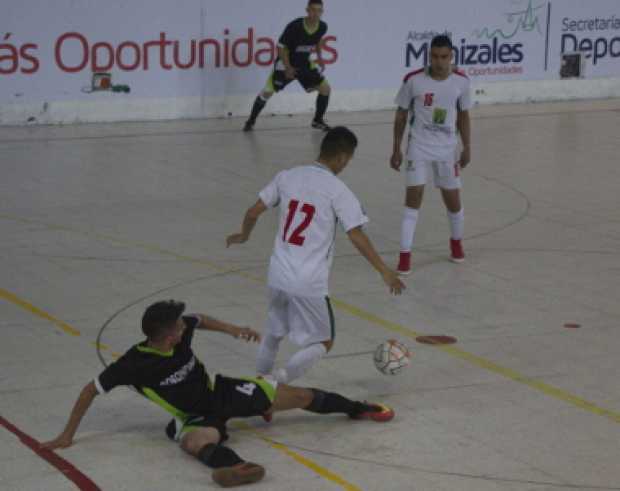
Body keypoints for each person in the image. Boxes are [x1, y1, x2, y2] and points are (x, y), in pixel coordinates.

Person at [42, 300, 395, 488]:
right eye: (180, 326)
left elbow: (200, 318)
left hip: (221, 391)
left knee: (299, 397)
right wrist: (67, 435)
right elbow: (90, 390)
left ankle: (357, 409)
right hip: (193, 417)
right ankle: (234, 468)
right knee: (193, 443)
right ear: (168, 338)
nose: (185, 326)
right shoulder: (132, 365)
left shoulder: (181, 330)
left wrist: (235, 329)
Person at [227, 126, 405, 386]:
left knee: (274, 333)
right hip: (308, 280)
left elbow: (253, 212)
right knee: (323, 341)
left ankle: (259, 383)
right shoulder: (338, 191)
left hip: (278, 273)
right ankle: (275, 383)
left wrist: (243, 235)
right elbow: (356, 235)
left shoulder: (287, 176)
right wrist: (384, 270)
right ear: (343, 157)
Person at [390, 34, 472, 275]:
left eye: (444, 57)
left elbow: (465, 116)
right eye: (434, 56)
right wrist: (396, 148)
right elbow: (401, 115)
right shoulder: (413, 80)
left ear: (451, 56)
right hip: (419, 147)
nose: (439, 62)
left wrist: (467, 147)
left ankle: (456, 243)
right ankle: (405, 256)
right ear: (429, 56)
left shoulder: (462, 83)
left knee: (453, 201)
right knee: (413, 199)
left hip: (447, 150)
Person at [243, 0, 332, 132]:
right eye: (313, 10)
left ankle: (317, 120)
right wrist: (288, 67)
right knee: (267, 92)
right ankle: (251, 121)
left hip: (304, 63)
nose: (316, 13)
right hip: (286, 63)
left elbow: (318, 40)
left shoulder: (323, 26)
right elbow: (281, 47)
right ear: (307, 10)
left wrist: (320, 58)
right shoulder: (295, 26)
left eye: (319, 10)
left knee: (325, 89)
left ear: (322, 12)